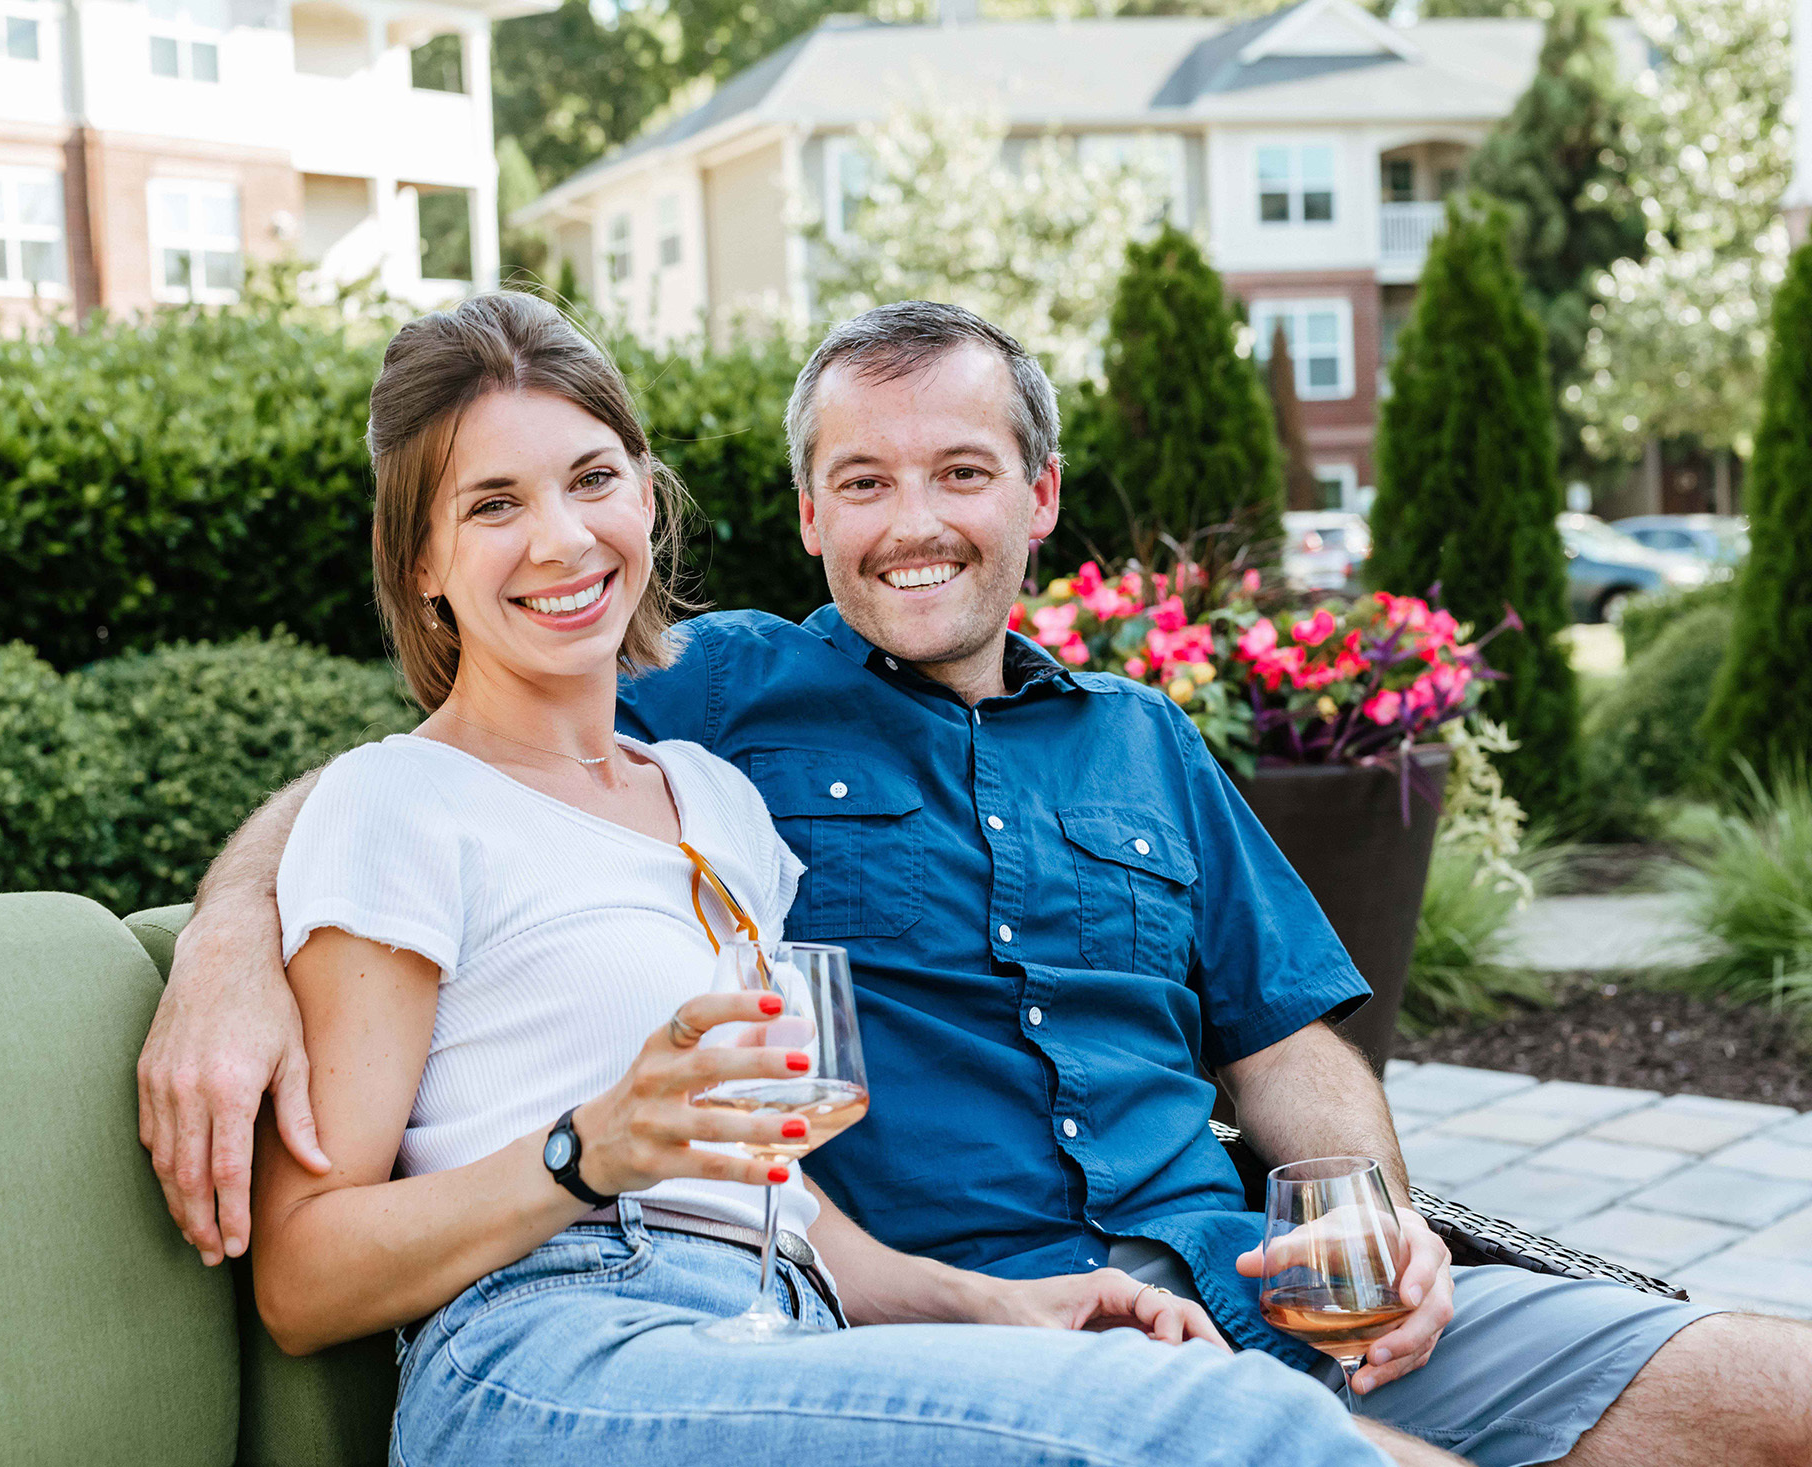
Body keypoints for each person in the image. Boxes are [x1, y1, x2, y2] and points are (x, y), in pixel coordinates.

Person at [143, 297, 1812, 1467]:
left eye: (959, 472)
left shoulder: (876, 778)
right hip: (870, 1327)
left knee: (1769, 1386)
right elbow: (415, 778)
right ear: (806, 515)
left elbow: (1290, 1034)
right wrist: (226, 939)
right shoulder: (726, 699)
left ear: (1040, 498)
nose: (911, 521)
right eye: (862, 481)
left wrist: (1368, 1212)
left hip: (1219, 1277)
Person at [240, 289, 1403, 1465]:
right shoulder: (397, 800)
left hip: (784, 1324)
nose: (559, 538)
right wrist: (581, 1150)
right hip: (558, 1342)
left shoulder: (717, 804)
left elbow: (782, 1206)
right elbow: (300, 1280)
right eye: (493, 504)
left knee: (1251, 1410)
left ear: (646, 497)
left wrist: (996, 1309)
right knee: (1236, 1432)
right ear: (421, 558)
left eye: (592, 480)